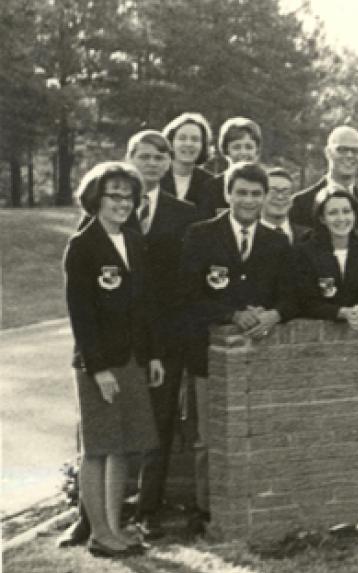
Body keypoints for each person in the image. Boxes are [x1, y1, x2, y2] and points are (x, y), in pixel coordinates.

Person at [179, 162, 297, 526]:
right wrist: (231, 314)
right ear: (228, 194)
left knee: (258, 430)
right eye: (241, 192)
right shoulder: (201, 235)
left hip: (260, 356)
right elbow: (187, 296)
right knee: (208, 436)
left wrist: (274, 315)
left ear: (265, 198)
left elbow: (292, 296)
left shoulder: (277, 241)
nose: (248, 200)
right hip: (209, 357)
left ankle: (258, 506)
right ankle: (207, 510)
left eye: (256, 194)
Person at [64, 161, 163, 558]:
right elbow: (81, 315)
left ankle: (115, 529)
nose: (123, 203)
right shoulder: (83, 246)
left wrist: (152, 355)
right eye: (114, 195)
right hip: (100, 364)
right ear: (95, 199)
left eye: (129, 196)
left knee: (123, 446)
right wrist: (99, 369)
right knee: (99, 447)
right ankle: (100, 534)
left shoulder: (134, 240)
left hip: (134, 359)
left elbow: (146, 306)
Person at [117, 132, 201, 536]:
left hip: (166, 336)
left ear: (169, 163)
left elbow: (189, 279)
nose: (151, 164)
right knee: (111, 422)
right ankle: (96, 512)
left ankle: (148, 510)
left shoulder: (184, 214)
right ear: (130, 158)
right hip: (120, 335)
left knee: (159, 422)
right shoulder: (112, 209)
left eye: (159, 158)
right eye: (144, 156)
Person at [292, 190, 358, 331]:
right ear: (322, 218)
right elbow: (305, 301)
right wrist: (342, 312)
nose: (341, 218)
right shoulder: (304, 252)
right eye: (333, 213)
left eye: (346, 211)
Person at [288, 126, 358, 239]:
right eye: (342, 149)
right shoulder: (301, 203)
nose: (349, 155)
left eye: (356, 151)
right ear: (328, 152)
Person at [161, 113, 226, 217]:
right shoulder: (156, 178)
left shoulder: (211, 184)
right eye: (182, 138)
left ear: (203, 145)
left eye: (195, 139)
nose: (188, 144)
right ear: (170, 142)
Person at [261, 168, 311, 243]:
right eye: (273, 191)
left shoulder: (308, 236)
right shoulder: (249, 236)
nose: (280, 197)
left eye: (286, 191)